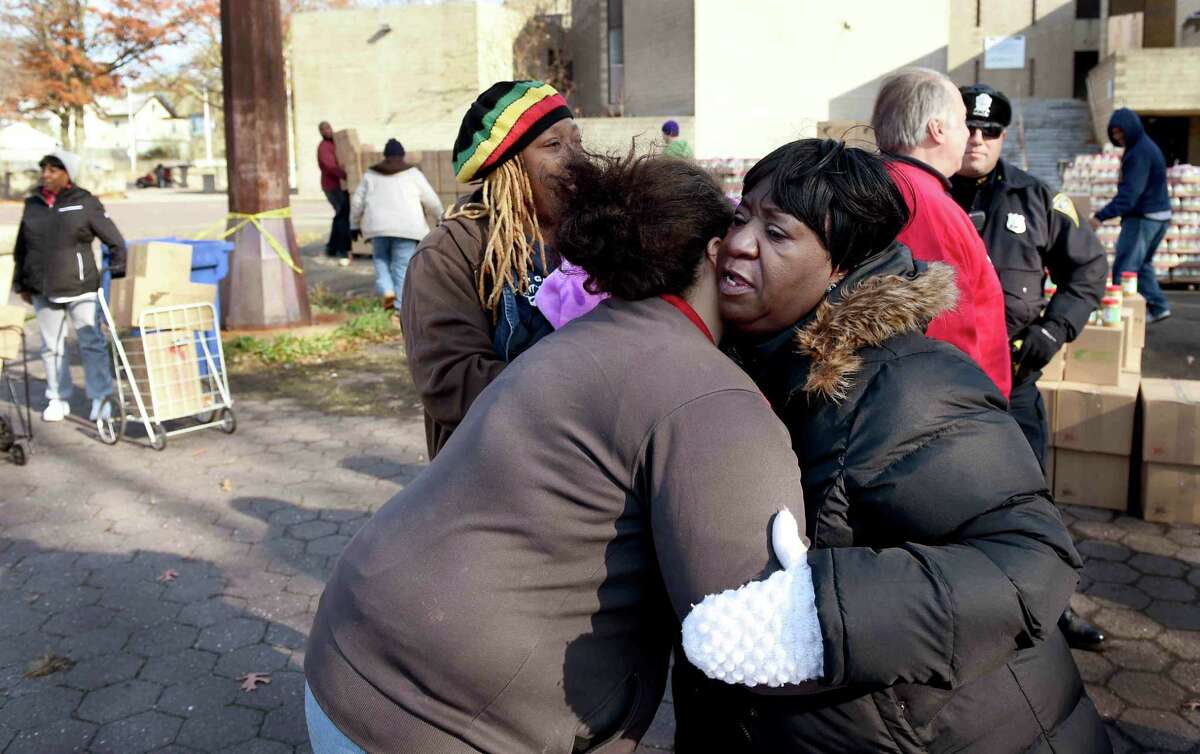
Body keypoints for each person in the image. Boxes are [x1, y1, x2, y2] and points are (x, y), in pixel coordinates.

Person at [305, 152, 809, 754]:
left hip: (347, 655)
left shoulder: (574, 339)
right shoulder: (709, 395)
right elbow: (753, 631)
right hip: (446, 723)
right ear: (710, 252)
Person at [671, 139, 1109, 753]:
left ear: (842, 267)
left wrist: (822, 613)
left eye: (778, 232)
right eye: (742, 216)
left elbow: (1033, 557)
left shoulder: (908, 383)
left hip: (959, 731)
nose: (741, 243)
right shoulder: (747, 361)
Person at [951, 85, 1110, 652]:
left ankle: (1052, 607)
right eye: (968, 126)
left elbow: (1088, 268)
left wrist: (1052, 329)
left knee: (1030, 501)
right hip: (936, 383)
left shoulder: (1038, 197)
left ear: (1003, 137)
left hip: (1012, 380)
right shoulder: (923, 193)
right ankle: (961, 615)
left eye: (989, 131)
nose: (977, 139)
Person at [400, 80, 582, 458]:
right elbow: (451, 382)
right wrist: (584, 396)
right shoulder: (450, 252)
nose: (577, 158)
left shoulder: (591, 237)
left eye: (577, 141)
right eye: (554, 145)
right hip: (493, 477)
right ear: (509, 164)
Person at [871, 68, 1011, 397]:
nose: (969, 136)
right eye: (964, 122)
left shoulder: (892, 186)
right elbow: (944, 334)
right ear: (937, 129)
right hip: (946, 407)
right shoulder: (924, 205)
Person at [12, 149, 127, 423]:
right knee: (51, 347)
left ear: (67, 174)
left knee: (92, 343)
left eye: (53, 170)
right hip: (42, 288)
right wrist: (21, 283)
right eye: (44, 169)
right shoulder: (33, 204)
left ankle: (100, 397)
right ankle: (57, 397)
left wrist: (117, 273)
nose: (46, 175)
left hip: (81, 286)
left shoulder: (84, 202)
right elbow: (22, 246)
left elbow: (116, 241)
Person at [1089, 108, 1173, 323]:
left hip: (1144, 218)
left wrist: (1100, 216)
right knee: (1142, 265)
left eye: (1121, 132)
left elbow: (1129, 196)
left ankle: (1119, 317)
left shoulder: (1139, 154)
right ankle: (1158, 306)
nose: (1118, 137)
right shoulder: (1142, 147)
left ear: (1131, 128)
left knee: (1125, 267)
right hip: (1158, 216)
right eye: (1114, 133)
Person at [349, 138, 443, 315]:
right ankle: (400, 305)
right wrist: (440, 217)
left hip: (378, 228)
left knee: (380, 259)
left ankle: (387, 290)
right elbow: (431, 199)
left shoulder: (370, 175)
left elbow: (357, 202)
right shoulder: (412, 174)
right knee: (402, 265)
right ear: (402, 155)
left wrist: (353, 225)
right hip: (407, 228)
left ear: (385, 156)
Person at [317, 121, 351, 266]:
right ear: (321, 132)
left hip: (340, 185)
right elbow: (330, 166)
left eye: (329, 128)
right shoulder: (324, 147)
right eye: (324, 130)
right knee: (342, 215)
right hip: (332, 186)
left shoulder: (336, 144)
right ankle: (338, 248)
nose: (328, 131)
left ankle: (332, 247)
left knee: (340, 215)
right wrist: (346, 174)